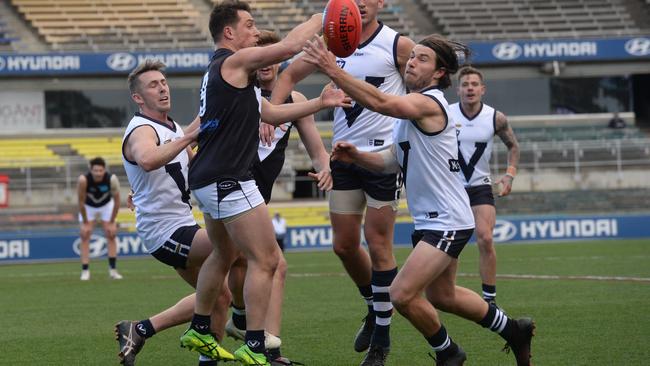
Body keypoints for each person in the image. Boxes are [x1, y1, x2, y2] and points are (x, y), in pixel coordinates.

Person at [302, 34, 535, 366]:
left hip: (448, 221)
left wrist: (334, 71)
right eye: (412, 57)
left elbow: (382, 103)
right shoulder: (412, 114)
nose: (412, 61)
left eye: (422, 59)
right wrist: (357, 157)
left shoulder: (431, 103)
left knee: (400, 294)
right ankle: (514, 330)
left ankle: (449, 353)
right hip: (432, 220)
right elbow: (392, 162)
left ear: (440, 72)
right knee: (443, 296)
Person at [183, 2, 349, 365]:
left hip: (208, 179)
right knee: (269, 259)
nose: (255, 32)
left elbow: (270, 113)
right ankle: (256, 345)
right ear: (229, 33)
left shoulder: (226, 73)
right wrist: (325, 17)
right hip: (228, 178)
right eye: (249, 25)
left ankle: (199, 326)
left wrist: (320, 101)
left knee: (224, 254)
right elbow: (290, 47)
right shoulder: (234, 62)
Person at [270, 2, 416, 364]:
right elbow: (286, 76)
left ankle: (381, 341)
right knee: (344, 246)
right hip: (344, 158)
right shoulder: (331, 43)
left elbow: (425, 85)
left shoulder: (398, 45)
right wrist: (269, 116)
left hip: (384, 160)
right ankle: (373, 305)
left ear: (381, 3)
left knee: (379, 243)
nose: (361, 4)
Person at [223, 28, 333, 365]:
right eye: (261, 51)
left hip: (257, 196)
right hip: (232, 190)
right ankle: (261, 343)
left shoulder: (297, 101)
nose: (268, 60)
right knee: (268, 263)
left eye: (274, 52)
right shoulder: (241, 92)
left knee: (255, 263)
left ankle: (249, 332)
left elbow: (315, 147)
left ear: (281, 58)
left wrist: (324, 166)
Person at [116, 59, 233, 366]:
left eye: (164, 82)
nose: (163, 88)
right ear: (138, 98)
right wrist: (189, 137)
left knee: (220, 298)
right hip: (164, 232)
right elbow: (147, 159)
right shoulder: (142, 128)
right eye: (153, 85)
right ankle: (251, 326)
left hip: (182, 225)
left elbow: (194, 166)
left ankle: (140, 329)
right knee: (235, 246)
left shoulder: (173, 127)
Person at [449, 66, 520, 305]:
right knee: (450, 242)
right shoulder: (445, 114)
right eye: (465, 84)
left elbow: (514, 146)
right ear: (458, 89)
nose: (470, 88)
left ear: (482, 89)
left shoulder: (495, 117)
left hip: (480, 185)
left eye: (474, 84)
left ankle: (490, 299)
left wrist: (509, 175)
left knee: (485, 238)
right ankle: (446, 292)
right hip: (451, 187)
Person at [77, 156, 122, 281]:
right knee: (85, 234)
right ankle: (85, 270)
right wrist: (85, 222)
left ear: (104, 170)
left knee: (111, 233)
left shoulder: (111, 179)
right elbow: (80, 202)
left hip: (106, 205)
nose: (98, 173)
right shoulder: (83, 180)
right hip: (88, 206)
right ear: (91, 170)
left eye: (100, 170)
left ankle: (113, 270)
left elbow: (117, 201)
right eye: (95, 170)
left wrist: (112, 222)